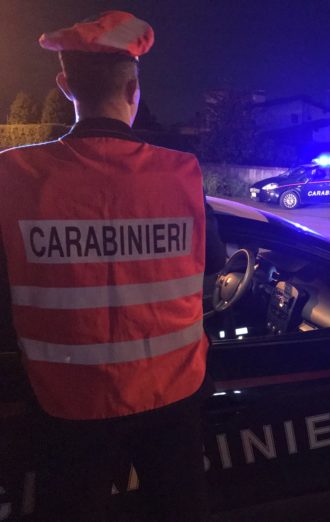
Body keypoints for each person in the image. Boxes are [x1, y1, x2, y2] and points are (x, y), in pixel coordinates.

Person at [0, 11, 225, 521]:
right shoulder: (182, 174)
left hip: (66, 403)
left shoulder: (14, 176)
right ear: (133, 89)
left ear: (65, 86)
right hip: (172, 398)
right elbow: (212, 262)